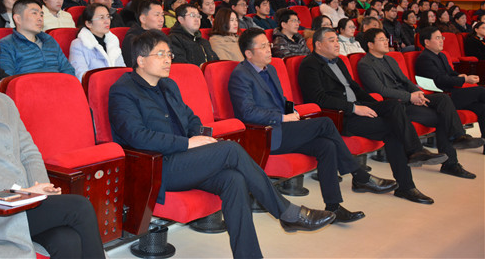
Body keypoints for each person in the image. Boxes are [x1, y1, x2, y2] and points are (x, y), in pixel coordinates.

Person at [109, 30, 335, 259]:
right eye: (160, 54)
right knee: (230, 149)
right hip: (158, 167)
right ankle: (286, 212)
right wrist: (188, 143)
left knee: (233, 179)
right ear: (140, 60)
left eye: (169, 54)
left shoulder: (169, 85)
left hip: (185, 161)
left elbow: (191, 119)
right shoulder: (123, 90)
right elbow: (137, 136)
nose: (168, 60)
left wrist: (202, 139)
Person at [0, 28, 105, 258]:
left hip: (25, 198)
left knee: (67, 240)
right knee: (80, 207)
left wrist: (41, 187)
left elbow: (28, 150)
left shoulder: (4, 101)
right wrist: (20, 190)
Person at [229, 28, 397, 222]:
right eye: (263, 46)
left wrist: (291, 111)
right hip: (265, 135)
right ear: (249, 54)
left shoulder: (271, 69)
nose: (269, 49)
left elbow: (279, 101)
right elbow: (247, 112)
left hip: (284, 128)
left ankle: (334, 207)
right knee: (325, 123)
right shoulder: (241, 75)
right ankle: (359, 175)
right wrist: (282, 118)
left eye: (269, 44)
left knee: (327, 146)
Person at [299, 27, 448, 204]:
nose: (337, 44)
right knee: (393, 130)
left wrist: (376, 106)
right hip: (340, 116)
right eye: (332, 41)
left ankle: (415, 153)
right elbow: (318, 98)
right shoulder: (310, 64)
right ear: (318, 45)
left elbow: (355, 88)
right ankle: (407, 184)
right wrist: (354, 108)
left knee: (393, 105)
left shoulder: (339, 62)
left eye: (337, 40)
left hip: (358, 106)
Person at [358, 28, 483, 178]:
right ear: (370, 45)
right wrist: (410, 97)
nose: (386, 42)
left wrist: (418, 94)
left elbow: (406, 81)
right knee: (442, 116)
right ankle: (451, 164)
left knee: (443, 99)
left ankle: (458, 137)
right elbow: (380, 90)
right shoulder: (365, 64)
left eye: (386, 39)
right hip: (397, 105)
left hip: (410, 98)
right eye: (381, 40)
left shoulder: (390, 59)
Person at [416, 27, 485, 143]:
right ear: (427, 42)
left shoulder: (441, 55)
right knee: (480, 91)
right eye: (437, 38)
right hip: (443, 97)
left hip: (452, 93)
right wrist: (464, 79)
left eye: (441, 38)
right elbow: (439, 80)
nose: (441, 41)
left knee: (482, 107)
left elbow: (450, 73)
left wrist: (461, 76)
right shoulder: (424, 58)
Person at [0, 0, 76, 77]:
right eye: (34, 13)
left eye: (41, 15)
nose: (40, 18)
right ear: (18, 19)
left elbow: (68, 69)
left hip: (59, 83)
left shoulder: (49, 40)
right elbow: (7, 79)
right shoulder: (6, 45)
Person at [69, 3, 125, 81]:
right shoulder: (78, 45)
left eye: (108, 17)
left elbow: (123, 70)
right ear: (89, 23)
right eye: (101, 18)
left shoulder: (113, 41)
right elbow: (81, 76)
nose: (107, 21)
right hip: (95, 86)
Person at [121, 0, 165, 66]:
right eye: (157, 15)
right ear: (143, 19)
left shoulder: (161, 35)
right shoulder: (133, 40)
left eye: (162, 15)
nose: (161, 19)